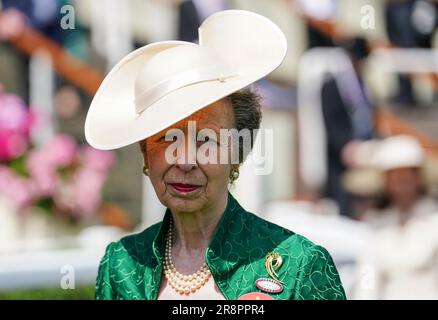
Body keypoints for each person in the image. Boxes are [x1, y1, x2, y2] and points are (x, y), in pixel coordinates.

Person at [85, 10, 345, 300]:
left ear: (237, 154)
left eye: (206, 140)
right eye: (165, 139)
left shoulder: (299, 265)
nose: (185, 161)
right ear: (145, 154)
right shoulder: (122, 264)